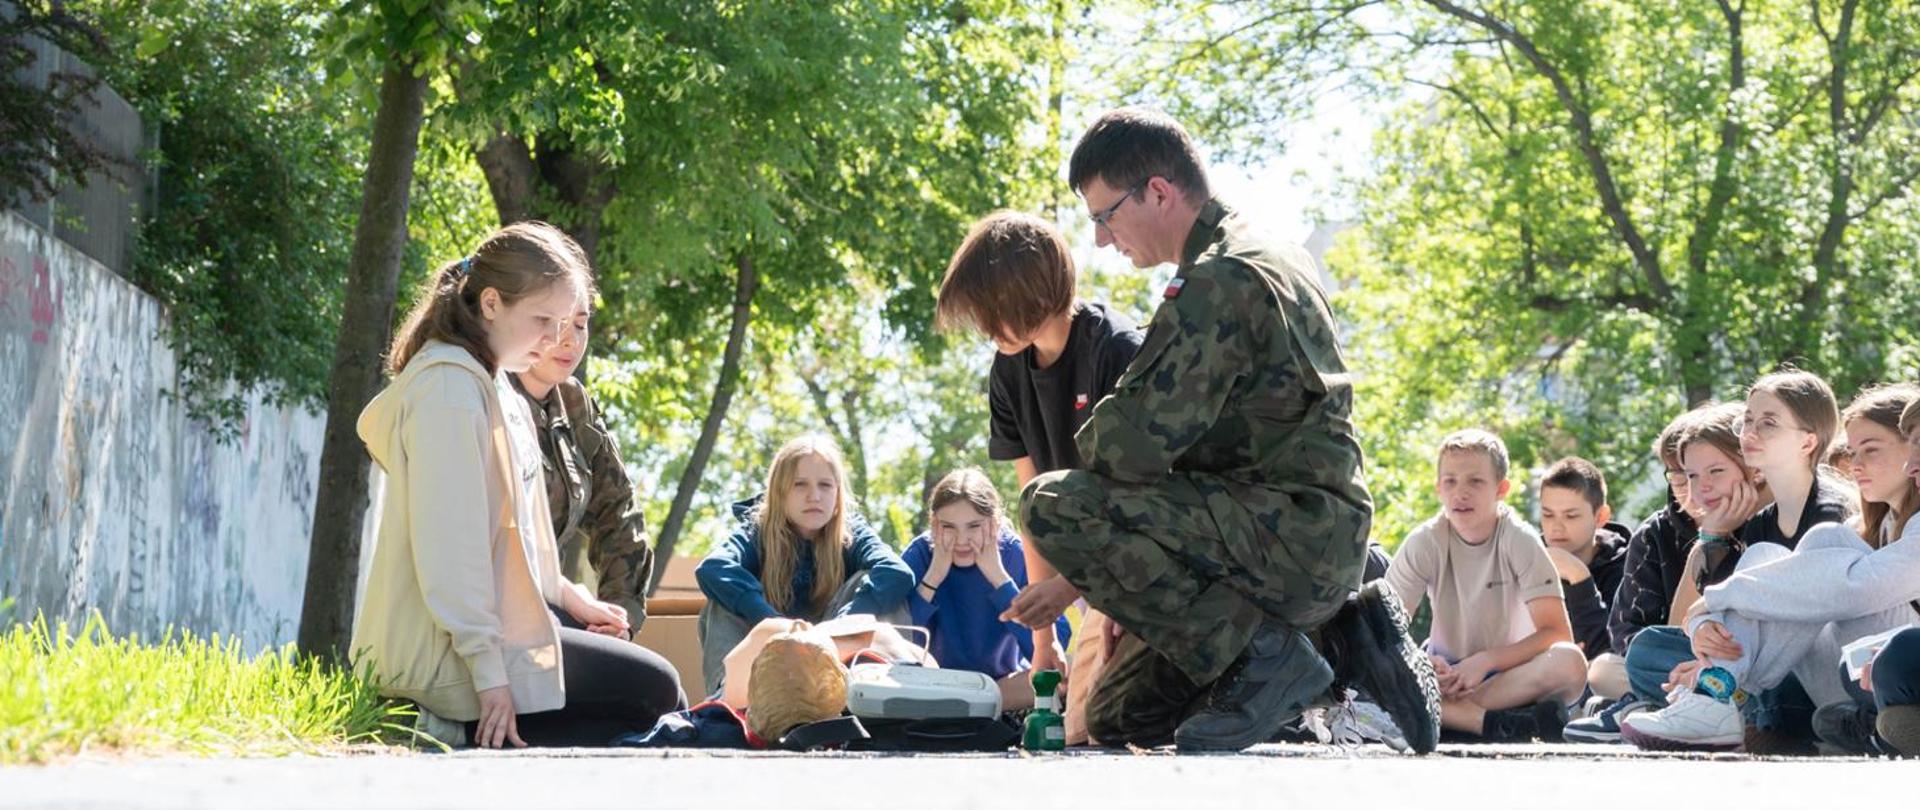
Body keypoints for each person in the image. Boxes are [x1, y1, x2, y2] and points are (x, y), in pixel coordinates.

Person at [1015, 107, 1439, 754]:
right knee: (1121, 716)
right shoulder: (1273, 252)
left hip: (1287, 538)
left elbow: (1125, 444)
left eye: (1105, 216)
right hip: (1290, 537)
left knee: (1049, 503)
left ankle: (1269, 656)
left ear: (1158, 191)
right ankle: (1342, 637)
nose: (1101, 239)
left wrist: (1114, 544)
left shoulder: (1217, 279)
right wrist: (1127, 586)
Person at [353, 222, 686, 749]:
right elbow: (452, 559)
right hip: (441, 665)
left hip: (483, 645)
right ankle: (433, 721)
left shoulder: (497, 386)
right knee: (655, 697)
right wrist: (492, 682)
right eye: (543, 320)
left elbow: (522, 540)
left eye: (569, 323)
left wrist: (573, 599)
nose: (557, 340)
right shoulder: (449, 391)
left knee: (657, 709)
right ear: (490, 303)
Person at [935, 211, 1144, 683]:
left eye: (991, 308)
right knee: (1074, 724)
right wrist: (1043, 639)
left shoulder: (1117, 350)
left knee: (1110, 722)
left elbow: (1141, 503)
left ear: (1031, 292)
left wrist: (1068, 589)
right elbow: (1035, 513)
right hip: (1088, 582)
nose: (984, 326)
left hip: (1146, 573)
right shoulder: (1008, 371)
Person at [1623, 370, 1861, 752]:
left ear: (1807, 441)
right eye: (1748, 420)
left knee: (1761, 572)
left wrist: (1713, 665)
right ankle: (1721, 701)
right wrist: (1712, 540)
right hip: (1762, 673)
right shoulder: (1761, 523)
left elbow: (1796, 619)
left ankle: (1720, 702)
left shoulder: (1830, 515)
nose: (1750, 431)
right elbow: (1708, 625)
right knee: (1649, 650)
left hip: (1820, 677)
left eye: (1767, 423)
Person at [1385, 430, 1588, 742]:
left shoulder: (1520, 539)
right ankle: (1491, 723)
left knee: (1569, 660)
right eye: (1450, 481)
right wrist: (1423, 661)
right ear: (1438, 489)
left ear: (1501, 489)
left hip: (1511, 676)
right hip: (1445, 677)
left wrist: (1485, 661)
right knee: (1376, 663)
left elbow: (1557, 633)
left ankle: (1449, 716)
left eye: (1475, 482)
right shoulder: (1424, 541)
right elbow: (1384, 629)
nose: (1460, 493)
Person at [695, 435, 914, 695]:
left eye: (825, 485)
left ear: (838, 494)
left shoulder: (851, 531)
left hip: (834, 653)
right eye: (800, 485)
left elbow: (897, 572)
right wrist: (774, 624)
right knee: (723, 596)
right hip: (769, 656)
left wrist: (835, 628)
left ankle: (893, 687)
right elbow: (713, 566)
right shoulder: (757, 531)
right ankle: (726, 696)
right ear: (779, 492)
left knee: (874, 581)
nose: (814, 496)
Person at [510, 271, 652, 629]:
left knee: (643, 676)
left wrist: (618, 617)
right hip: (496, 614)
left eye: (580, 324)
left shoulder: (574, 404)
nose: (570, 340)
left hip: (552, 611)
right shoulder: (489, 399)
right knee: (654, 682)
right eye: (554, 322)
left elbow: (619, 514)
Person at [1565, 407, 1709, 743]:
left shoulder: (1754, 522)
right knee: (1604, 668)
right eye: (1679, 479)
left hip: (1734, 665)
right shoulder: (1653, 536)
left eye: (1707, 473)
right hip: (1668, 665)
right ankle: (1649, 706)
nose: (1694, 490)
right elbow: (1628, 630)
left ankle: (1639, 711)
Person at [901, 469, 1071, 711]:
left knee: (1065, 673)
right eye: (949, 527)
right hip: (933, 683)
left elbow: (1053, 645)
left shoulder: (1016, 552)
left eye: (973, 526)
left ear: (995, 523)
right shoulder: (920, 553)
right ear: (934, 524)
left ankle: (963, 710)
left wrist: (999, 579)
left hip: (1000, 687)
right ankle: (960, 710)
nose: (962, 540)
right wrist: (934, 576)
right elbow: (898, 641)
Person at [1535, 457, 1630, 684]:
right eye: (1547, 515)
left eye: (1571, 516)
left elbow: (1609, 653)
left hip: (1597, 688)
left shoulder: (1628, 565)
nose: (1556, 527)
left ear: (1601, 517)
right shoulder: (1525, 559)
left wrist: (1580, 579)